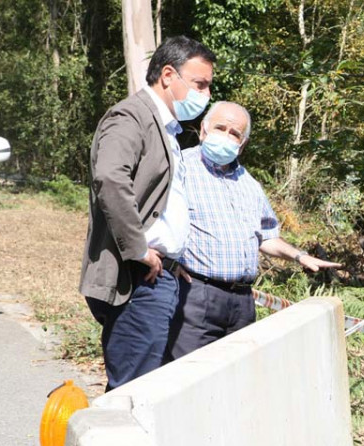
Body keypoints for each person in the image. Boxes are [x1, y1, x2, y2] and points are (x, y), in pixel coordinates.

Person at [79, 36, 216, 391]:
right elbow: (109, 177)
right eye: (200, 84)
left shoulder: (168, 129)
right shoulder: (132, 116)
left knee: (144, 388)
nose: (206, 94)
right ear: (168, 75)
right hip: (138, 278)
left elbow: (161, 204)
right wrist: (139, 248)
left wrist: (174, 257)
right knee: (132, 392)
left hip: (160, 275)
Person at [164, 101, 341, 361]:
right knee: (190, 377)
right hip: (196, 295)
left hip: (243, 301)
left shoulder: (249, 184)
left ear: (242, 143)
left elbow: (267, 237)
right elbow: (154, 217)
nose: (225, 136)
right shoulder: (180, 168)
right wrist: (168, 261)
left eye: (234, 133)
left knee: (237, 379)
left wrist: (300, 256)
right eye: (220, 128)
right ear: (203, 130)